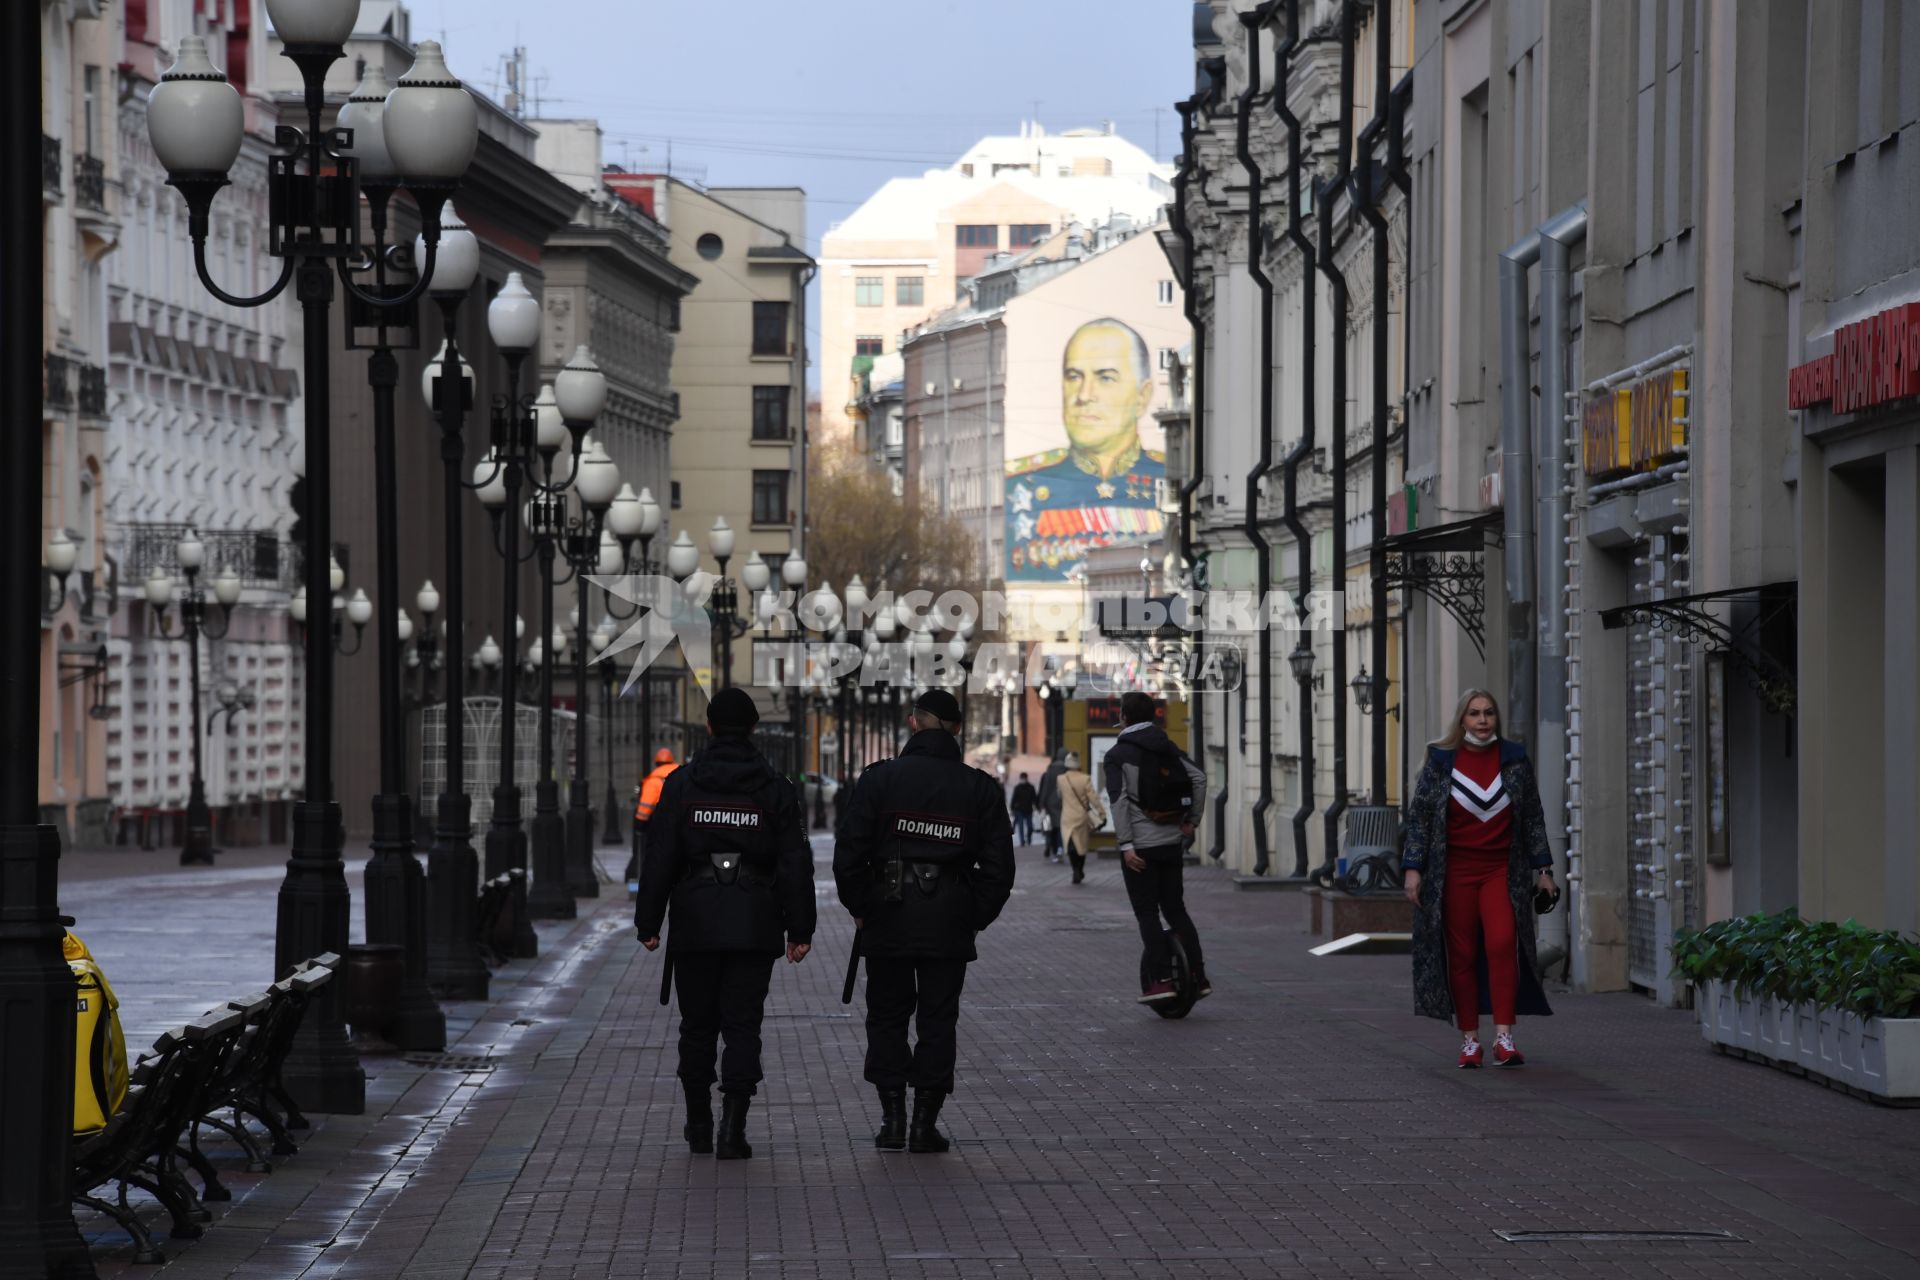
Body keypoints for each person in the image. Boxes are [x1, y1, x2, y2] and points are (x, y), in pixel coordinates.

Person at [634, 689, 815, 1159]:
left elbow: (659, 858)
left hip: (695, 918)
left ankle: (698, 1124)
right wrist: (800, 930)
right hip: (754, 920)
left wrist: (648, 921)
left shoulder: (683, 784)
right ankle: (733, 1131)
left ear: (710, 728)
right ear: (753, 729)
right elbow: (796, 862)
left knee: (697, 1025)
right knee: (742, 1025)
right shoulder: (775, 788)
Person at [833, 688, 1015, 1154]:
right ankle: (923, 1124)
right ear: (956, 728)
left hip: (887, 914)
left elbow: (849, 852)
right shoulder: (978, 788)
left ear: (914, 723)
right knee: (938, 1019)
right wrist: (972, 915)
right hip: (949, 916)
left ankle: (892, 1119)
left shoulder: (879, 780)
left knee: (888, 1016)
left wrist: (861, 907)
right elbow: (999, 869)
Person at [1402, 689, 1557, 1068]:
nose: (1483, 720)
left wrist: (1544, 871)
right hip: (1454, 871)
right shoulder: (1441, 762)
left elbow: (1534, 818)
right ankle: (1470, 1040)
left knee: (1504, 943)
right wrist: (1412, 868)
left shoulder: (1515, 760)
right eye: (1474, 714)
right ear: (1462, 720)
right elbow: (1420, 819)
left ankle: (1504, 1037)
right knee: (1463, 954)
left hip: (1501, 871)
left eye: (1489, 713)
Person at [1004, 318, 1167, 582]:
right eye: (1074, 377)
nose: (1084, 394)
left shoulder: (1172, 478)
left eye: (1105, 378)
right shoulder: (1021, 485)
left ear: (1143, 396)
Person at [1103, 691, 1209, 1003]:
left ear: (1123, 716)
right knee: (1176, 910)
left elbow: (1119, 801)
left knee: (1147, 912)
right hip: (1171, 843)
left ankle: (1161, 980)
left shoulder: (1117, 755)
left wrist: (1126, 845)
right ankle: (1198, 976)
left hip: (1142, 849)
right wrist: (1192, 820)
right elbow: (1199, 779)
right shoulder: (1167, 746)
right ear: (1154, 716)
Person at [625, 747, 680, 896]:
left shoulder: (653, 780)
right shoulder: (681, 774)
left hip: (659, 822)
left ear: (657, 763)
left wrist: (640, 824)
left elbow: (646, 806)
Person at [1057, 752, 1105, 885]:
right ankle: (1080, 869)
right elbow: (1094, 799)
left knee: (1071, 844)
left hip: (1067, 816)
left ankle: (1075, 870)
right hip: (1081, 817)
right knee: (1082, 845)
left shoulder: (1061, 779)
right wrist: (1102, 813)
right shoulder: (1085, 779)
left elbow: (1060, 796)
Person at [1036, 752, 1066, 862]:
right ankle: (1060, 848)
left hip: (1050, 803)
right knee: (1060, 828)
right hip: (1063, 802)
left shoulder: (1050, 770)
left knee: (1051, 827)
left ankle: (1053, 848)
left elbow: (1045, 787)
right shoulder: (1067, 770)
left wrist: (1042, 803)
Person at [1008, 772, 1038, 846]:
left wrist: (1037, 806)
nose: (1023, 780)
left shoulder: (1031, 787)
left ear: (1026, 779)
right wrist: (1012, 809)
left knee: (1030, 827)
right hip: (1019, 810)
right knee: (1021, 827)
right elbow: (1013, 799)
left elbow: (1034, 798)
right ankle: (1022, 841)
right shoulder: (1017, 788)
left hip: (1029, 810)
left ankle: (1029, 839)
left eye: (1024, 778)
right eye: (1022, 778)